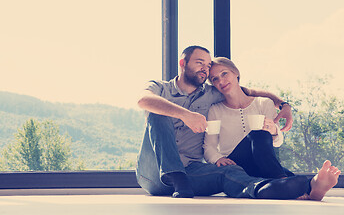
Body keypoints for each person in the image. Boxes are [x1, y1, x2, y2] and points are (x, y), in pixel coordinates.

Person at [136, 45, 340, 200]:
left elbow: (245, 91)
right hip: (154, 172)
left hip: (191, 173)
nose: (205, 70)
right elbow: (143, 100)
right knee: (158, 111)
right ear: (183, 63)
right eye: (200, 63)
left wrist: (283, 104)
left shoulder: (210, 94)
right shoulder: (159, 88)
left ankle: (278, 188)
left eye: (208, 66)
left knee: (231, 171)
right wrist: (185, 114)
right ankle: (175, 175)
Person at [204, 57, 294, 179]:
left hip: (263, 163)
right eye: (215, 79)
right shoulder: (215, 110)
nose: (221, 81)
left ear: (236, 73)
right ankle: (283, 181)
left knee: (294, 178)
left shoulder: (264, 103)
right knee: (258, 135)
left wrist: (274, 131)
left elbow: (278, 142)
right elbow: (209, 146)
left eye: (224, 73)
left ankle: (306, 186)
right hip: (235, 165)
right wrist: (217, 158)